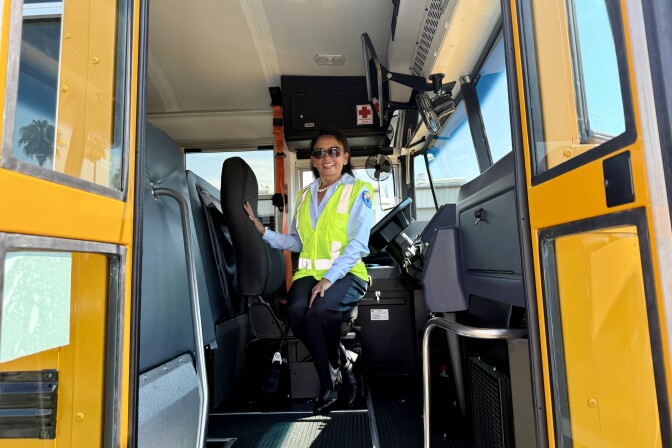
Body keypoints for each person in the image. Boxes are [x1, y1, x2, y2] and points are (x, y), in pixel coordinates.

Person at [243, 129, 373, 415]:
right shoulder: (304, 196)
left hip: (348, 273)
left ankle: (330, 383)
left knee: (319, 311)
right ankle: (342, 359)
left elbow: (358, 244)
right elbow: (299, 243)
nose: (327, 157)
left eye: (334, 151)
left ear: (345, 157)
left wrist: (328, 279)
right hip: (308, 275)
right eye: (319, 153)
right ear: (313, 161)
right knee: (295, 311)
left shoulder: (358, 191)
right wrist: (264, 232)